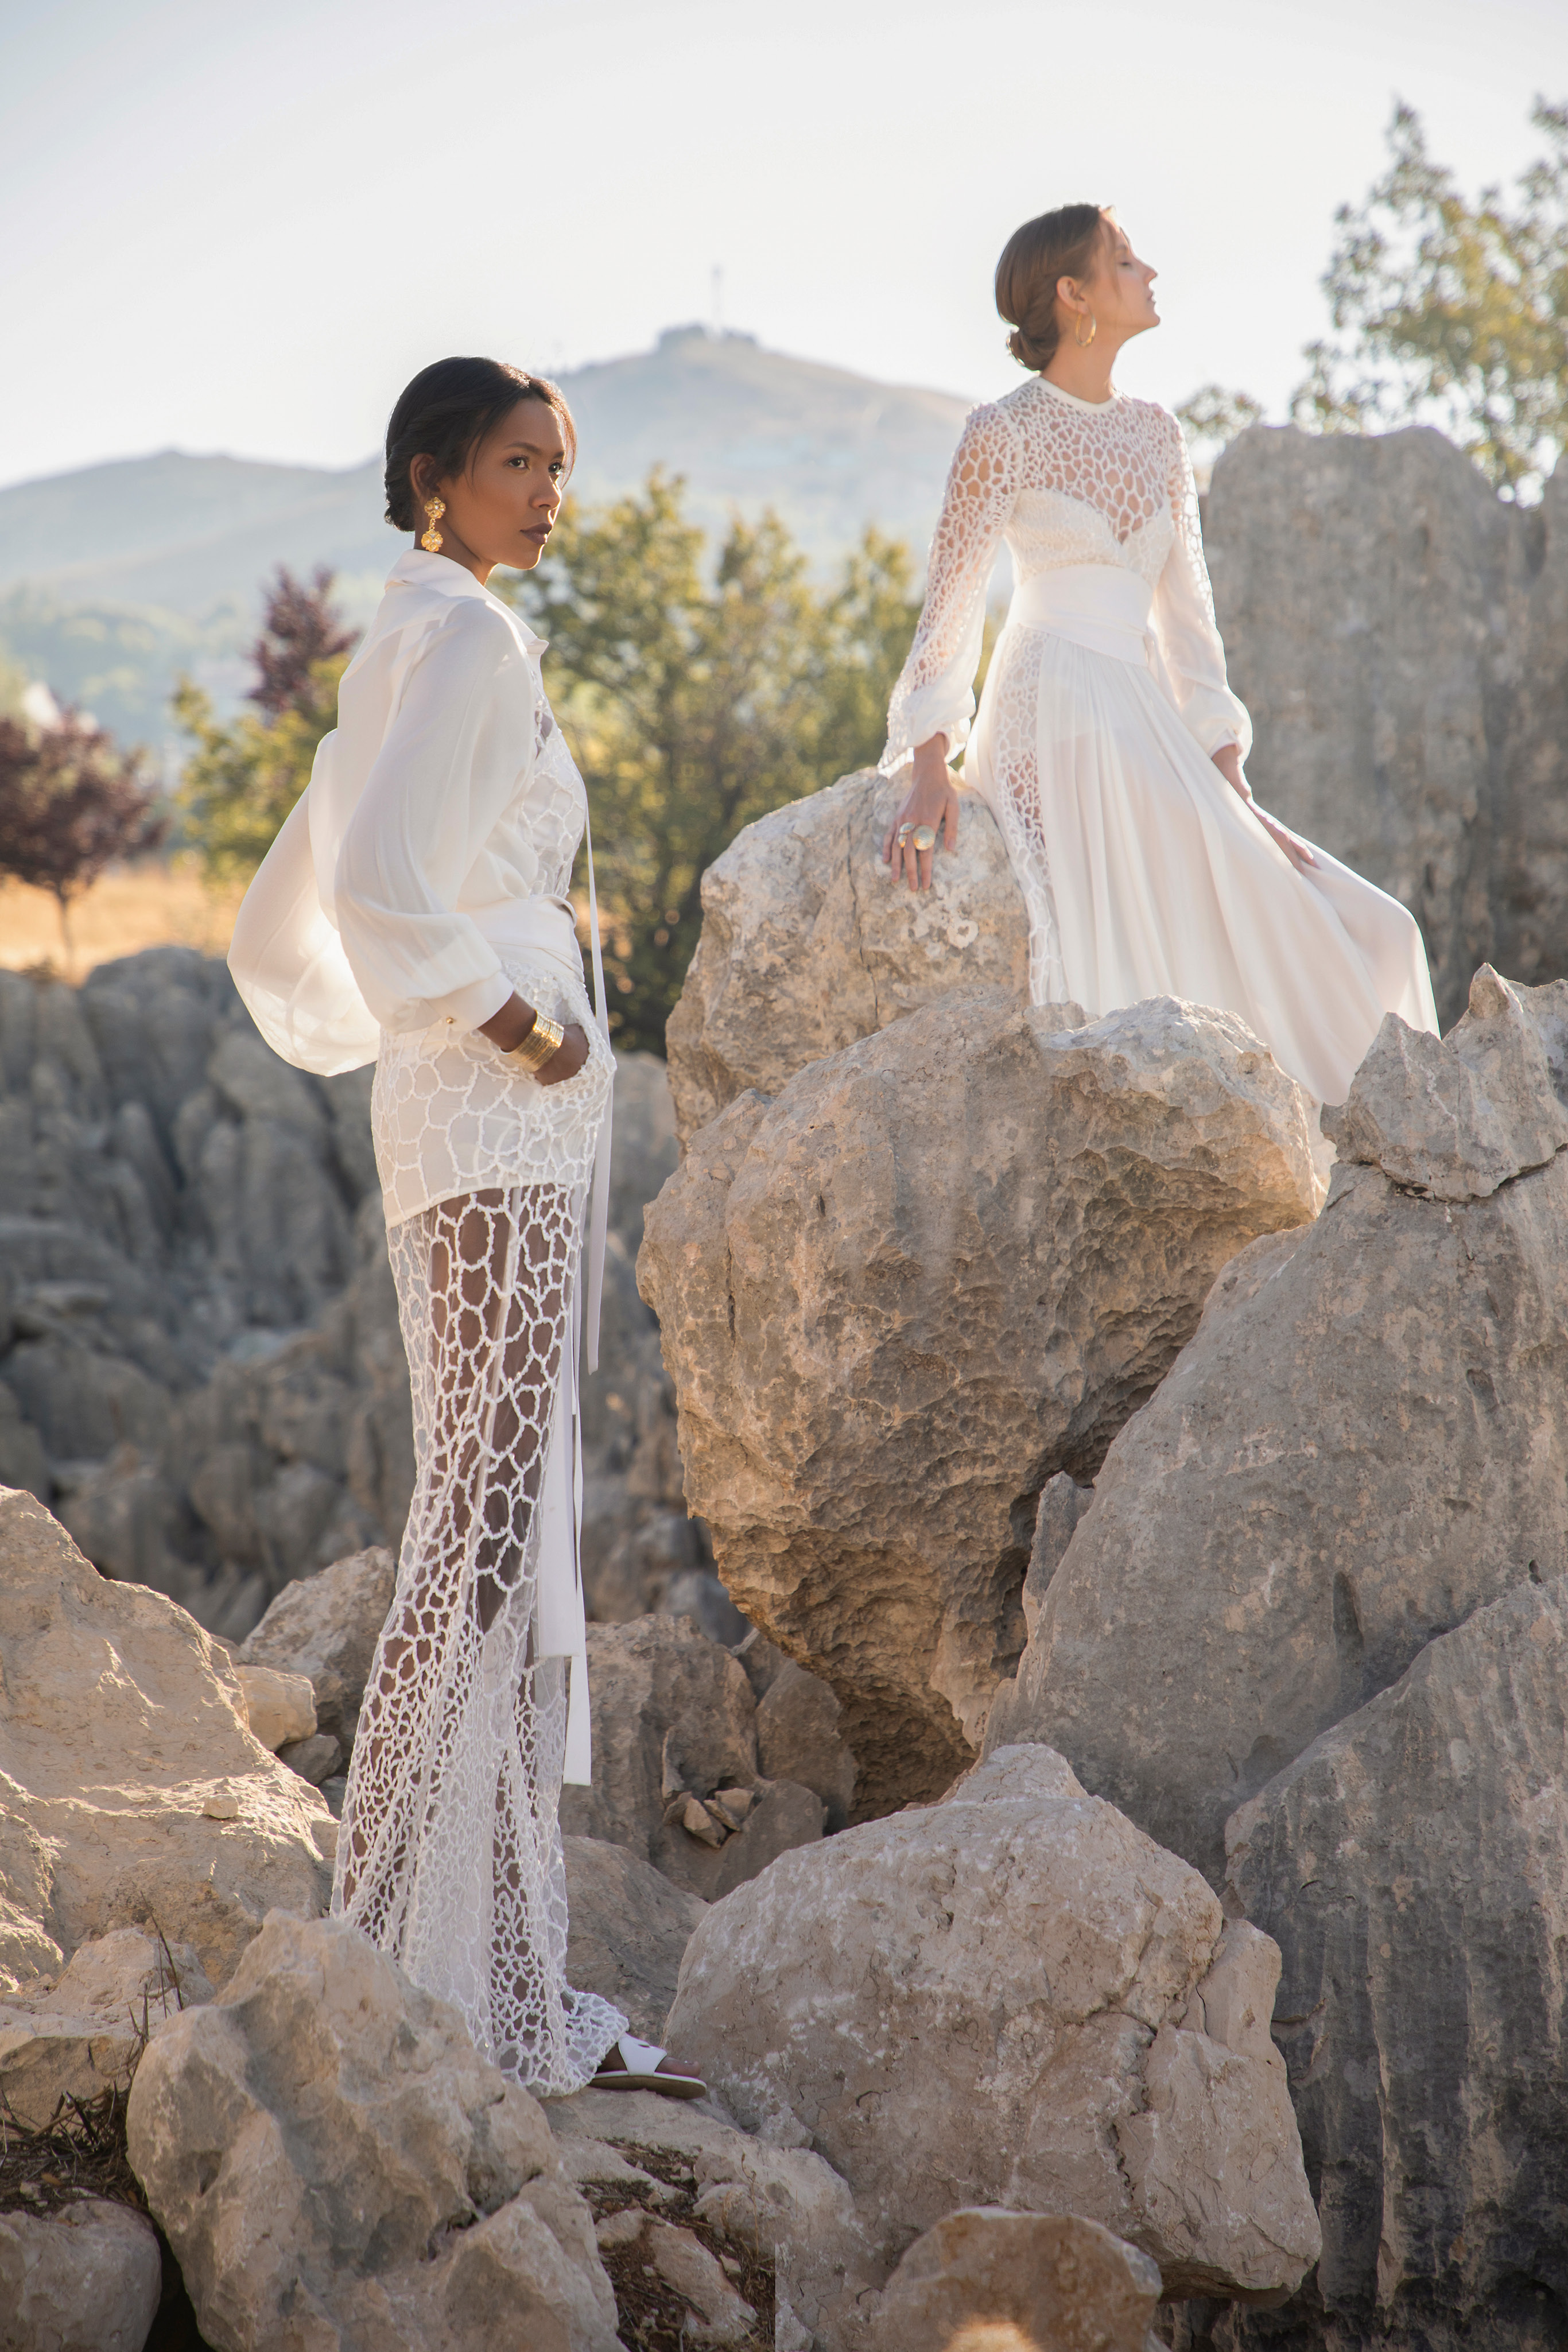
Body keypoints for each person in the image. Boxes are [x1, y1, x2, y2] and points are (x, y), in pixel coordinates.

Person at [228, 356, 701, 2101]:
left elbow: (350, 875)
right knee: (484, 1516)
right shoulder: (469, 643)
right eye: (518, 463)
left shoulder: (419, 630)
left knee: (483, 1507)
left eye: (557, 465)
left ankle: (477, 1962)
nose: (549, 495)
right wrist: (524, 1024)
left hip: (462, 1107)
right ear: (435, 476)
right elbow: (372, 885)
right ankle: (392, 1942)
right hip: (490, 1098)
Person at [880, 204, 1437, 1113]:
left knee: (1379, 930)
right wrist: (931, 762)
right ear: (1074, 295)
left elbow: (1190, 630)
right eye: (1126, 261)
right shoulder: (1001, 431)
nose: (1150, 274)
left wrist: (1232, 782)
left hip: (1145, 716)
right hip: (1052, 709)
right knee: (1160, 951)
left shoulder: (1159, 436)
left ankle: (1379, 1142)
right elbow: (950, 608)